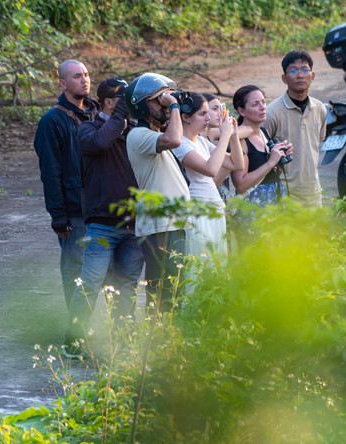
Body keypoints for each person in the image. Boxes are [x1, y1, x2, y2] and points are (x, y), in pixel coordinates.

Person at [62, 78, 144, 357]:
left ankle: (122, 338)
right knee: (90, 284)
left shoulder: (133, 131)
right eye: (123, 100)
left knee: (127, 285)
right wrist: (120, 115)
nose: (129, 105)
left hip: (133, 225)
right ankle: (73, 340)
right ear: (109, 101)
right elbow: (99, 143)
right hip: (101, 226)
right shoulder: (89, 128)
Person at [33, 59, 98, 314]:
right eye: (76, 76)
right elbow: (50, 171)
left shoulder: (96, 114)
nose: (84, 79)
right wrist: (58, 215)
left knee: (102, 276)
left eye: (86, 74)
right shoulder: (52, 121)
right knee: (76, 275)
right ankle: (75, 337)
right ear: (62, 83)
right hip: (75, 212)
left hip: (100, 208)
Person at [124, 73, 188, 311]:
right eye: (157, 99)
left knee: (176, 292)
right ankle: (157, 343)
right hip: (159, 225)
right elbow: (174, 139)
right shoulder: (138, 135)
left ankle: (170, 342)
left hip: (172, 224)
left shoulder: (153, 135)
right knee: (163, 293)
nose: (163, 103)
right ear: (141, 105)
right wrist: (172, 105)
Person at [173, 92, 244, 257]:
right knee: (201, 267)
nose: (208, 118)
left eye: (208, 113)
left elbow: (237, 164)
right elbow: (211, 169)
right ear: (186, 117)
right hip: (198, 213)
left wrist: (234, 137)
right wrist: (224, 135)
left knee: (218, 267)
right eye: (202, 113)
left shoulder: (201, 141)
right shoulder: (180, 144)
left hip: (214, 212)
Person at [264, 50, 327, 207]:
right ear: (284, 79)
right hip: (285, 195)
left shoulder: (319, 109)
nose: (300, 75)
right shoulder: (272, 113)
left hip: (313, 193)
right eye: (293, 70)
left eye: (305, 69)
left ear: (312, 76)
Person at [231, 85, 293, 206]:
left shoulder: (264, 132)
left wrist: (280, 157)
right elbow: (241, 185)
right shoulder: (240, 140)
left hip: (276, 200)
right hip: (254, 206)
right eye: (255, 104)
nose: (262, 108)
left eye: (263, 102)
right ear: (241, 111)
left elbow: (269, 175)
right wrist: (270, 162)